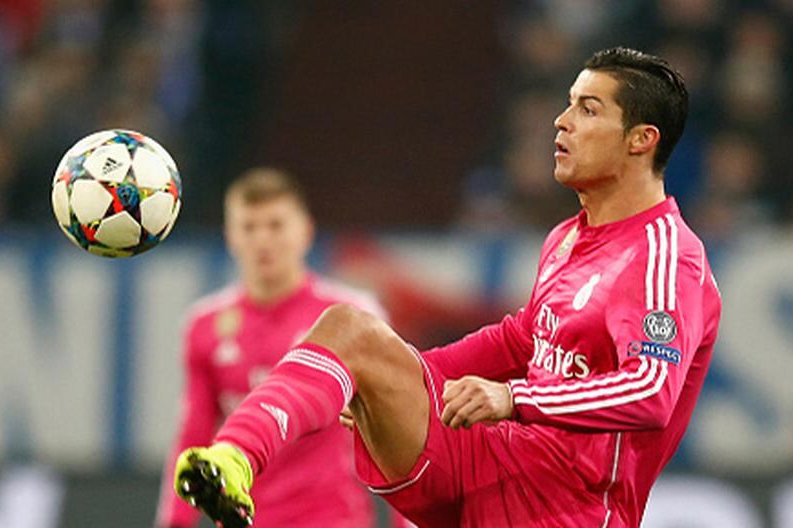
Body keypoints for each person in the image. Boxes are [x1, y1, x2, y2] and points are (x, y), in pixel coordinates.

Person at [173, 47, 722, 528]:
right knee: (351, 333)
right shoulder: (566, 239)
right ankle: (234, 459)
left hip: (565, 507)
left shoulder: (664, 259)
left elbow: (650, 391)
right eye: (569, 103)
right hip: (492, 466)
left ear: (641, 141)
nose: (561, 121)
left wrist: (513, 397)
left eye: (588, 109)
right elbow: (520, 340)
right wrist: (410, 378)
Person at [155, 168, 385, 528]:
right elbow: (195, 434)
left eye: (276, 225)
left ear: (305, 232)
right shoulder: (204, 325)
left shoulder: (351, 319)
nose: (262, 239)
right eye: (248, 227)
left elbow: (395, 426)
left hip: (333, 519)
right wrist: (175, 523)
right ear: (230, 236)